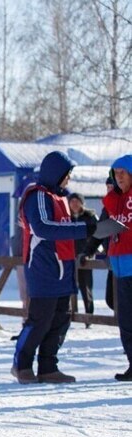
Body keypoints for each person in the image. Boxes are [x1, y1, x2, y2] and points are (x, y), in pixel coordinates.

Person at [11, 151, 96, 384]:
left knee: (60, 320)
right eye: (67, 174)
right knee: (40, 321)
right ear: (55, 173)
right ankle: (22, 364)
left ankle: (48, 367)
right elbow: (44, 228)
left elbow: (65, 233)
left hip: (63, 269)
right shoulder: (38, 195)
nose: (68, 179)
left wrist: (94, 230)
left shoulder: (60, 198)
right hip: (43, 270)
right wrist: (83, 229)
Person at [104, 156, 132, 381]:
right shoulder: (114, 200)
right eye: (116, 172)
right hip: (120, 267)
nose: (119, 176)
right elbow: (104, 228)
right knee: (125, 319)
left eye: (123, 171)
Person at [82, 177, 115, 311]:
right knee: (112, 299)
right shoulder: (108, 208)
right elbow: (99, 232)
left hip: (126, 259)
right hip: (114, 260)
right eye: (107, 188)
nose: (109, 191)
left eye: (111, 187)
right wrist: (87, 252)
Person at [67, 192, 98, 322]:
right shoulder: (66, 217)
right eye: (72, 201)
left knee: (86, 287)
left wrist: (90, 251)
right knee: (69, 286)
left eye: (77, 201)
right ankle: (69, 314)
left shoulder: (90, 217)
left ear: (82, 203)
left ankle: (88, 316)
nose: (74, 204)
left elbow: (97, 235)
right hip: (69, 255)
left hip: (85, 256)